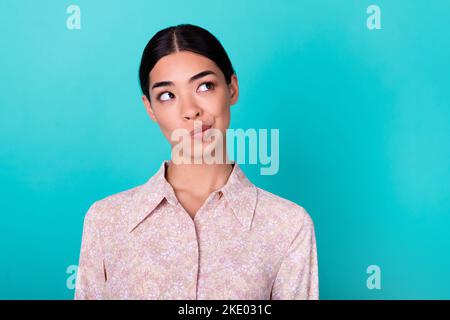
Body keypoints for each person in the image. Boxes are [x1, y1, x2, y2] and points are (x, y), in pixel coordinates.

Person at [74, 23, 318, 300]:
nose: (190, 110)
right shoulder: (106, 221)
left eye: (204, 86)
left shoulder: (288, 225)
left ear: (232, 89)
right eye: (167, 95)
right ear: (150, 109)